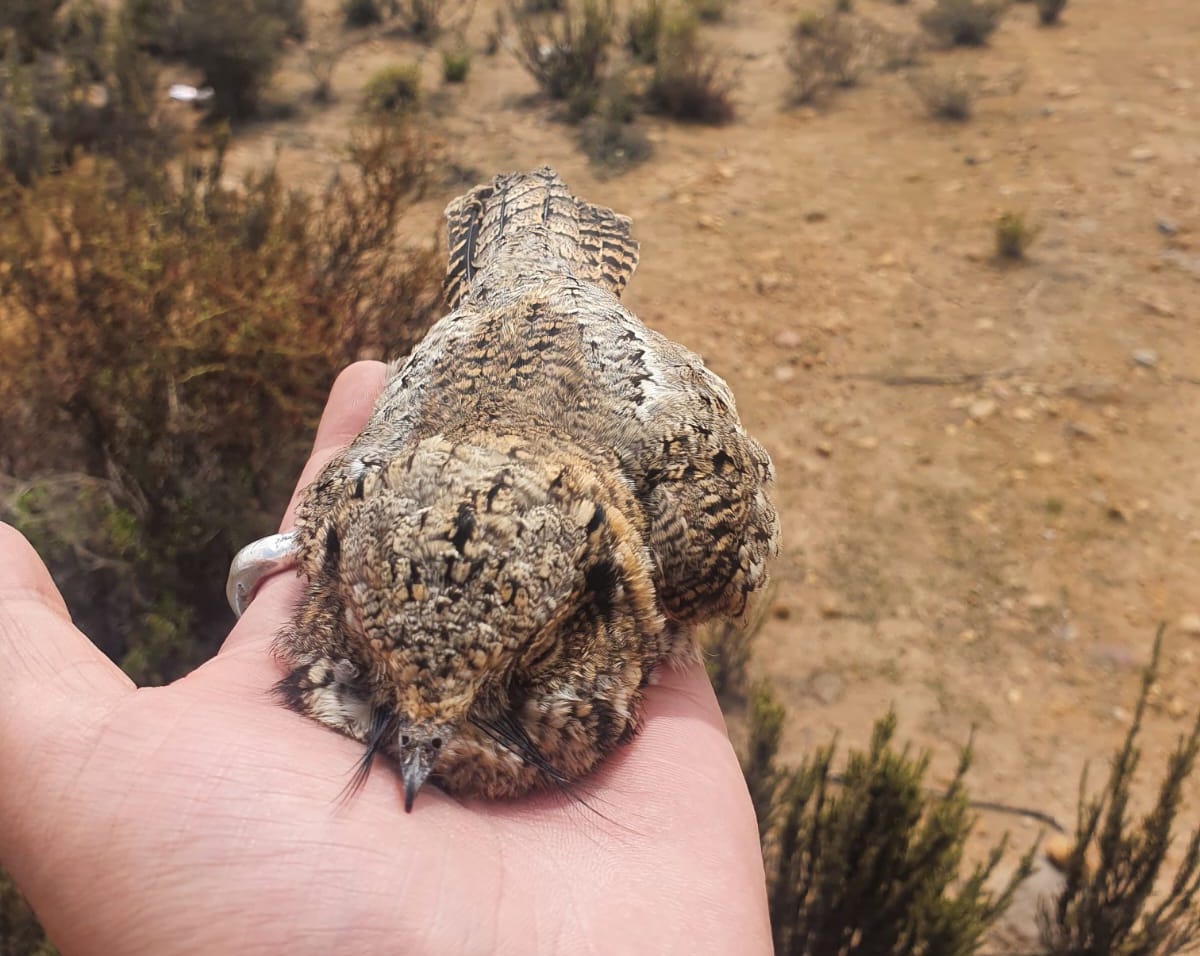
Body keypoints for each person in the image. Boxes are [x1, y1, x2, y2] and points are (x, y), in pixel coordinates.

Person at [0, 362, 772, 955]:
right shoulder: (352, 506)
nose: (418, 751)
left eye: (516, 674)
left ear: (609, 600)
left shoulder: (685, 534)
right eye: (377, 667)